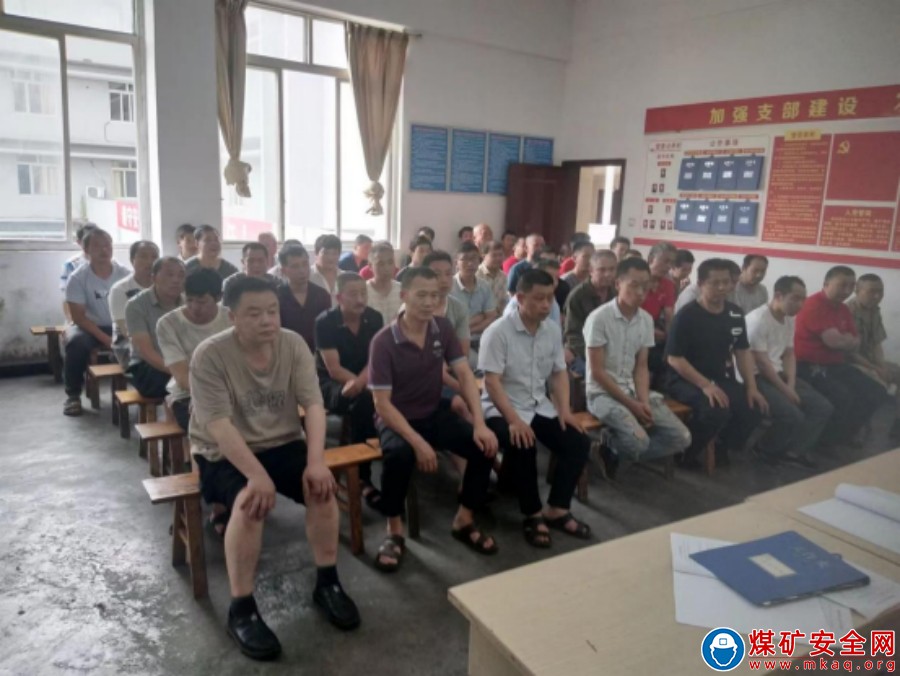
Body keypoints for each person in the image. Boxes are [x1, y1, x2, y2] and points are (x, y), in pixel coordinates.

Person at [190, 276, 360, 660]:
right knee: (250, 503)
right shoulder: (210, 355)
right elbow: (218, 426)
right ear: (232, 316)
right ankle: (241, 608)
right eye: (254, 313)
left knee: (322, 489)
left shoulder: (293, 344)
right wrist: (256, 476)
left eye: (272, 311)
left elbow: (313, 405)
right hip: (224, 451)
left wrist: (316, 462)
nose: (267, 320)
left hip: (281, 441)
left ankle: (328, 583)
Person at [368, 267, 500, 571]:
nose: (429, 302)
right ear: (404, 296)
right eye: (421, 295)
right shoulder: (383, 342)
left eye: (435, 295)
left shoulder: (442, 328)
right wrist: (418, 443)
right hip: (396, 417)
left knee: (484, 447)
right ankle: (394, 530)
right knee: (399, 456)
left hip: (432, 410)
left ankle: (464, 519)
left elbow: (464, 373)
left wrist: (479, 423)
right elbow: (382, 404)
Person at [480, 269, 592, 548]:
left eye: (550, 298)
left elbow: (559, 373)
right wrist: (514, 420)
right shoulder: (498, 332)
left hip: (538, 406)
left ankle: (558, 509)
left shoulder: (551, 330)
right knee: (524, 444)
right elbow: (491, 383)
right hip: (501, 409)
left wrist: (564, 410)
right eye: (538, 298)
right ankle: (532, 514)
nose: (546, 305)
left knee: (578, 441)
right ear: (520, 298)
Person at [663, 258, 768, 469]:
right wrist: (705, 385)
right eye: (715, 283)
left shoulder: (735, 314)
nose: (722, 288)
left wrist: (752, 387)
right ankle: (684, 454)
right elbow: (674, 358)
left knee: (754, 408)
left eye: (726, 282)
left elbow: (742, 351)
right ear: (701, 284)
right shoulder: (687, 316)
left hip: (719, 377)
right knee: (715, 411)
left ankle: (722, 447)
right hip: (683, 379)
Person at [585, 258, 692, 464]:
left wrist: (643, 402)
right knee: (639, 442)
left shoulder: (645, 319)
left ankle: (616, 451)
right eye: (634, 285)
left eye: (645, 286)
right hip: (602, 395)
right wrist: (632, 405)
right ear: (618, 284)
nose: (641, 292)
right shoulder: (599, 318)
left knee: (682, 438)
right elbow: (597, 372)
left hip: (633, 391)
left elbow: (641, 366)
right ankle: (610, 444)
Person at [794, 266, 888, 446]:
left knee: (876, 392)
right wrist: (846, 339)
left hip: (835, 364)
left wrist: (844, 340)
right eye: (842, 285)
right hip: (808, 365)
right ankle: (822, 442)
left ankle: (842, 436)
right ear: (826, 284)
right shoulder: (814, 304)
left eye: (851, 286)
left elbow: (856, 341)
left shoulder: (843, 309)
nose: (847, 291)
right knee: (843, 396)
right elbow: (835, 342)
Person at [746, 276, 833, 466]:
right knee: (792, 415)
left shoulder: (789, 318)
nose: (800, 305)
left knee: (822, 407)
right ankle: (764, 448)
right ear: (779, 295)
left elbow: (789, 353)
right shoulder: (758, 320)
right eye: (795, 298)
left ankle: (794, 452)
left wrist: (791, 384)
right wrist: (786, 390)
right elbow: (762, 363)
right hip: (755, 376)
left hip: (777, 373)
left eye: (803, 299)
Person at [315, 273, 384, 506]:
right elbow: (334, 369)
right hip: (332, 383)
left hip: (366, 379)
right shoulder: (325, 322)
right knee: (364, 403)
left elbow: (375, 360)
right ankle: (363, 477)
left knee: (371, 398)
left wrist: (362, 384)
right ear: (339, 297)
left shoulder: (374, 318)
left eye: (363, 293)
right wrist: (362, 386)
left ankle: (385, 454)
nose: (360, 299)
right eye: (353, 294)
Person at [62, 228, 131, 416]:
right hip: (89, 327)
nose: (104, 250)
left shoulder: (125, 274)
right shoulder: (78, 278)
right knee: (75, 343)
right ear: (86, 251)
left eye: (107, 245)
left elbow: (133, 308)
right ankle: (73, 395)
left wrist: (122, 334)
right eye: (97, 246)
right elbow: (78, 317)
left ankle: (146, 389)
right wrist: (107, 339)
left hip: (120, 324)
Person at [157, 268, 231, 432]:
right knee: (212, 424)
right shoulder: (168, 324)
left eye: (202, 301)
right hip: (188, 394)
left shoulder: (231, 318)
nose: (194, 307)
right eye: (189, 300)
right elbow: (182, 377)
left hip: (231, 390)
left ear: (219, 297)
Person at [847, 274, 900, 440]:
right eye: (872, 291)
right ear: (857, 290)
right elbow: (850, 353)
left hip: (868, 360)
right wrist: (876, 369)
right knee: (877, 385)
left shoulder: (874, 310)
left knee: (896, 373)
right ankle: (853, 429)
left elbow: (877, 343)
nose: (877, 296)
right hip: (849, 362)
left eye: (880, 291)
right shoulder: (847, 312)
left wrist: (882, 366)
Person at [124, 257, 186, 399]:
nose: (176, 280)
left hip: (181, 362)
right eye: (169, 274)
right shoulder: (136, 305)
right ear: (153, 278)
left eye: (181, 275)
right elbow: (145, 352)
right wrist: (180, 372)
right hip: (148, 366)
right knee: (184, 385)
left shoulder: (188, 303)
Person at [564, 250, 617, 377]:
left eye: (612, 269)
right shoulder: (578, 296)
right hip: (583, 352)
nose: (608, 274)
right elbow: (573, 336)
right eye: (602, 270)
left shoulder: (617, 294)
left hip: (612, 352)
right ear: (591, 270)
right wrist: (597, 356)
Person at [109, 240, 159, 365]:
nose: (150, 262)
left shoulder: (164, 287)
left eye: (154, 257)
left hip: (160, 340)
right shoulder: (120, 289)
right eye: (143, 257)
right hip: (128, 343)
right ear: (132, 260)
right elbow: (125, 330)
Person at [277, 245, 332, 351]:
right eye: (295, 266)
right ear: (283, 270)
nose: (302, 270)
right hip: (286, 352)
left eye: (305, 264)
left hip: (317, 354)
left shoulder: (322, 295)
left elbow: (328, 330)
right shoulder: (276, 296)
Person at [451, 242, 498, 367]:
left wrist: (464, 329)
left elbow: (491, 317)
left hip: (484, 339)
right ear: (456, 263)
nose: (470, 263)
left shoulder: (484, 286)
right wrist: (479, 317)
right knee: (479, 365)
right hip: (458, 343)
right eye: (465, 259)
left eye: (474, 259)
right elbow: (451, 327)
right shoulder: (450, 287)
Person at [642, 243, 677, 380]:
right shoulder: (638, 281)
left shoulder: (668, 284)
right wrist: (649, 331)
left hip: (654, 329)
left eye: (671, 263)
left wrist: (671, 340)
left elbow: (669, 316)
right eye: (665, 261)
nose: (669, 267)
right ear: (651, 259)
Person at [504, 258, 563, 327]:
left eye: (557, 278)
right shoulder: (514, 308)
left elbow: (556, 326)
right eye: (549, 277)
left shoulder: (553, 302)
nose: (555, 283)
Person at [366, 241, 403, 324]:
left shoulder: (402, 290)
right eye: (381, 264)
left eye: (390, 262)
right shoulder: (363, 291)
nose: (387, 268)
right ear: (370, 266)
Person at [60, 222, 96, 294]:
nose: (93, 243)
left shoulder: (112, 263)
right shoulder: (71, 265)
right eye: (87, 240)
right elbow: (67, 290)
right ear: (79, 242)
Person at [477, 241, 509, 315]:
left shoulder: (503, 276)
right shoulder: (477, 275)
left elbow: (504, 301)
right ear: (484, 256)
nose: (498, 258)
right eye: (494, 255)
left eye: (500, 255)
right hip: (481, 317)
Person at [309, 234, 341, 307]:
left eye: (334, 253)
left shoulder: (344, 277)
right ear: (316, 253)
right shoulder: (307, 276)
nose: (330, 258)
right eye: (325, 253)